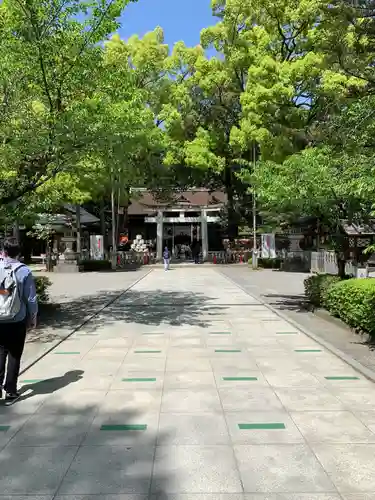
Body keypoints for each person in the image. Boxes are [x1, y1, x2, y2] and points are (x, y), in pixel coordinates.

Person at [0, 241, 38, 404]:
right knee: (15, 355)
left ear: (4, 251)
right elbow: (30, 298)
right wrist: (33, 316)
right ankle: (11, 391)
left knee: (0, 353)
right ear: (19, 253)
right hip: (17, 318)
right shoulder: (24, 270)